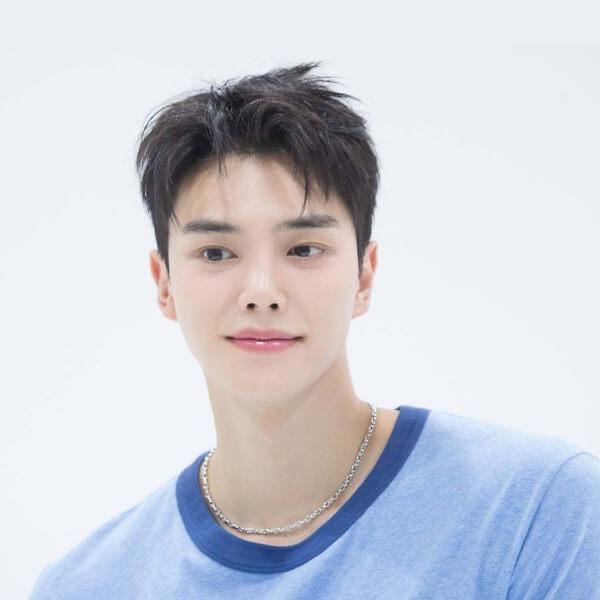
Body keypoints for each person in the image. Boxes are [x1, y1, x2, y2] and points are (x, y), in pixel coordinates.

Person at [30, 62, 600, 599]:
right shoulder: (87, 585)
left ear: (364, 275)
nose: (261, 290)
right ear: (164, 284)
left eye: (303, 249)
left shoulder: (536, 511)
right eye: (216, 252)